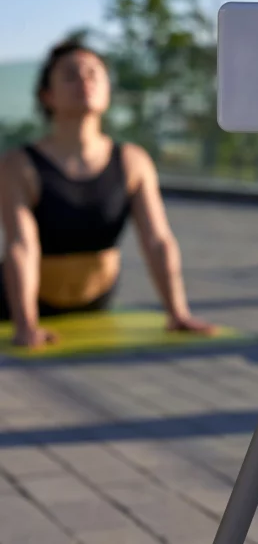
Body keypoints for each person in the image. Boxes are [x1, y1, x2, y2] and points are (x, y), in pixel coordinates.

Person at [0, 39, 215, 348]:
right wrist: (25, 325)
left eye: (93, 74)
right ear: (47, 95)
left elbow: (157, 241)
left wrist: (177, 313)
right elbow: (21, 247)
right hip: (14, 310)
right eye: (71, 75)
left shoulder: (132, 161)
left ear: (108, 91)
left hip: (94, 305)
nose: (84, 81)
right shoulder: (18, 165)